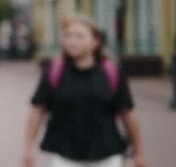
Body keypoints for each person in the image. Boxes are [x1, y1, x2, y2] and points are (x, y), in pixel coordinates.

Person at [24, 15, 146, 167]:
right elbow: (37, 110)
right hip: (65, 157)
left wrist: (139, 152)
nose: (72, 41)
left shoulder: (111, 72)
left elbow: (128, 113)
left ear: (95, 41)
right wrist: (28, 148)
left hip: (107, 157)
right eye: (68, 36)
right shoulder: (54, 71)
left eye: (79, 36)